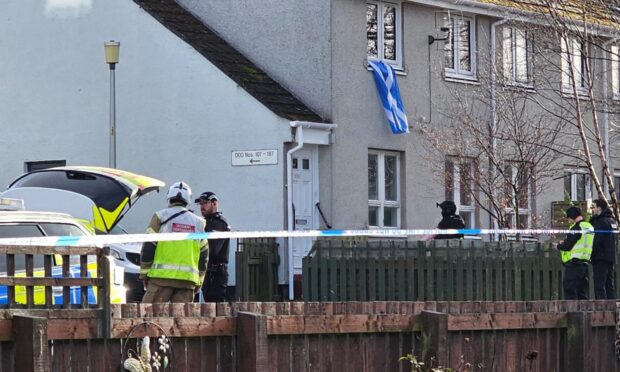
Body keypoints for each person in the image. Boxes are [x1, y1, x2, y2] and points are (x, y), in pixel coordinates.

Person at [140, 182, 209, 303]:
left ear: (169, 197)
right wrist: (200, 281)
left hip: (160, 279)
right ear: (188, 200)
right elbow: (204, 255)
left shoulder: (160, 216)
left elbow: (149, 247)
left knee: (149, 317)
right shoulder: (198, 222)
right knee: (182, 320)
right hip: (187, 282)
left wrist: (144, 273)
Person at [195, 191, 231, 302]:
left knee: (216, 307)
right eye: (200, 204)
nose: (202, 207)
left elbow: (213, 249)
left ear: (214, 204)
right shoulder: (203, 222)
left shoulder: (220, 223)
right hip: (205, 271)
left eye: (205, 203)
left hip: (216, 273)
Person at [556, 206, 593, 300]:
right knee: (582, 292)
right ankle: (584, 313)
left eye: (568, 217)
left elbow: (568, 246)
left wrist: (559, 245)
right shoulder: (589, 227)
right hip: (585, 263)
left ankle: (572, 313)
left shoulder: (576, 227)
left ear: (571, 216)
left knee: (570, 290)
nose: (568, 220)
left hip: (574, 264)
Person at [589, 198, 617, 299]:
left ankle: (601, 308)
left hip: (600, 257)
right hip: (610, 256)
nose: (592, 209)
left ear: (599, 208)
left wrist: (591, 254)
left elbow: (596, 240)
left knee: (599, 283)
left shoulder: (600, 222)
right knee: (609, 284)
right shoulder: (612, 221)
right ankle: (611, 306)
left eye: (594, 207)